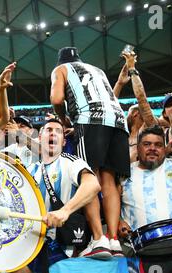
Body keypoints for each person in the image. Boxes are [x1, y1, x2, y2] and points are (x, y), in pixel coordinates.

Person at [0, 119, 102, 273]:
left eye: (57, 131)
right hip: (32, 242)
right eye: (48, 130)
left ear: (63, 141)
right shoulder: (29, 169)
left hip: (58, 243)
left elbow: (93, 184)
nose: (52, 133)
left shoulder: (71, 161)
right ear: (40, 137)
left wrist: (65, 211)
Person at [50, 47, 130, 257]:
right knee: (109, 181)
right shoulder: (98, 70)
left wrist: (63, 119)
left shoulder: (61, 69)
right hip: (119, 122)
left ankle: (98, 240)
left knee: (90, 178)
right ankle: (113, 240)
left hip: (90, 119)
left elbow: (57, 100)